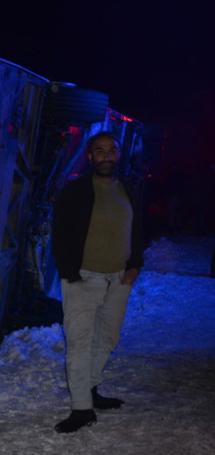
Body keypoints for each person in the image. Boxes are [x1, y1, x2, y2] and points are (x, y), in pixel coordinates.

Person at [51, 131, 144, 433]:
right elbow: (61, 236)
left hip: (118, 280)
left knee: (107, 339)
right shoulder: (75, 191)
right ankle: (81, 409)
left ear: (119, 154)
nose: (107, 156)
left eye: (112, 150)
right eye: (100, 151)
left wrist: (134, 267)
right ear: (90, 156)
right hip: (84, 280)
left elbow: (141, 230)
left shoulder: (128, 188)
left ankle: (90, 391)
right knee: (79, 344)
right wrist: (70, 273)